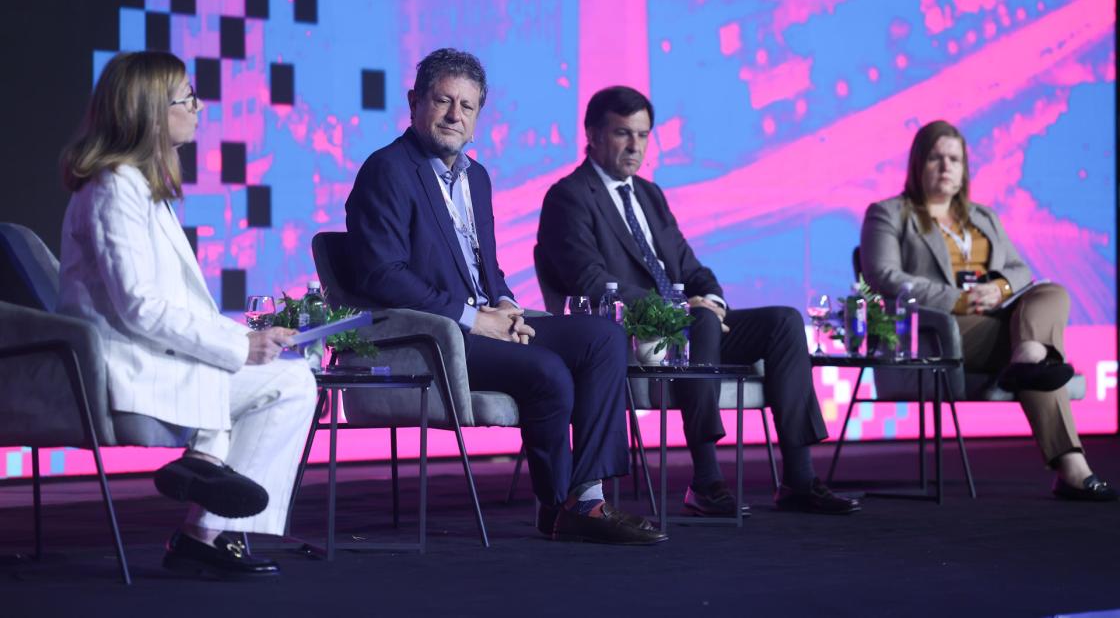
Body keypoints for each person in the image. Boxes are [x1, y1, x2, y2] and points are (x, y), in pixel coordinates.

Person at [345, 49, 665, 545]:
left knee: (603, 337)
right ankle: (559, 507)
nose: (454, 115)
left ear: (477, 118)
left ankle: (588, 496)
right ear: (414, 103)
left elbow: (487, 268)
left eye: (467, 106)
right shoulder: (387, 170)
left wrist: (508, 305)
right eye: (443, 100)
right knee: (548, 371)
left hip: (485, 325)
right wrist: (475, 319)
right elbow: (381, 275)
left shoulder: (477, 177)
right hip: (436, 336)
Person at [537, 86, 859, 516]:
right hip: (631, 335)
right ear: (592, 134)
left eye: (643, 135)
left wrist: (709, 300)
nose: (635, 146)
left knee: (783, 321)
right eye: (622, 133)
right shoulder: (568, 197)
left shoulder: (649, 195)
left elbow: (692, 269)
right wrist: (680, 312)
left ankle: (799, 479)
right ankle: (706, 480)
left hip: (690, 326)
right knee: (700, 325)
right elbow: (591, 282)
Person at [57, 51, 319, 579]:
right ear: (152, 112)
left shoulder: (141, 188)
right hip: (127, 368)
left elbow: (171, 306)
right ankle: (208, 509)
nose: (199, 107)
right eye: (187, 98)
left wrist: (248, 340)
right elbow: (141, 307)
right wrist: (239, 346)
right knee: (288, 384)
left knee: (291, 378)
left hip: (156, 358)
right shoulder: (113, 187)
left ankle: (206, 504)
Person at [860, 119, 1116, 502]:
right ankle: (1071, 465)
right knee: (1040, 360)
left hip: (999, 320)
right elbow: (883, 275)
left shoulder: (983, 217)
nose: (946, 167)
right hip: (942, 331)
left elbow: (1019, 270)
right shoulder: (889, 214)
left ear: (964, 168)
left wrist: (1000, 287)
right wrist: (957, 299)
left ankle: (1028, 353)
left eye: (954, 159)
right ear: (917, 164)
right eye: (935, 158)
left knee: (1053, 293)